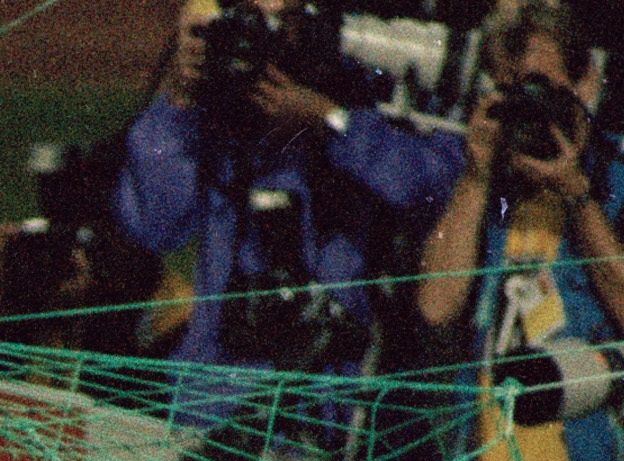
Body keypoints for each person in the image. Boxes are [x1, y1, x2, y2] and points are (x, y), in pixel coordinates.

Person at [403, 0, 624, 461]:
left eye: (545, 91)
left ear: (587, 84)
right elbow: (436, 305)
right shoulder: (477, 185)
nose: (533, 113)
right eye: (517, 95)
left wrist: (577, 196)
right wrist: (475, 178)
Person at [110, 0, 465, 422]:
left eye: (286, 21)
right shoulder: (214, 101)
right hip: (217, 391)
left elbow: (432, 185)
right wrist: (180, 101)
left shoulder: (362, 83)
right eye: (251, 17)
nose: (268, 37)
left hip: (328, 397)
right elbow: (156, 227)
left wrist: (329, 121)